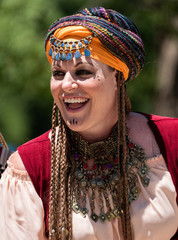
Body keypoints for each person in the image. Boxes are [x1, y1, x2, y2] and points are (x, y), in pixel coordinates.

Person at [0, 6, 177, 240]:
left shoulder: (170, 139)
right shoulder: (28, 166)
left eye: (83, 72)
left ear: (117, 78)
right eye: (58, 73)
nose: (67, 85)